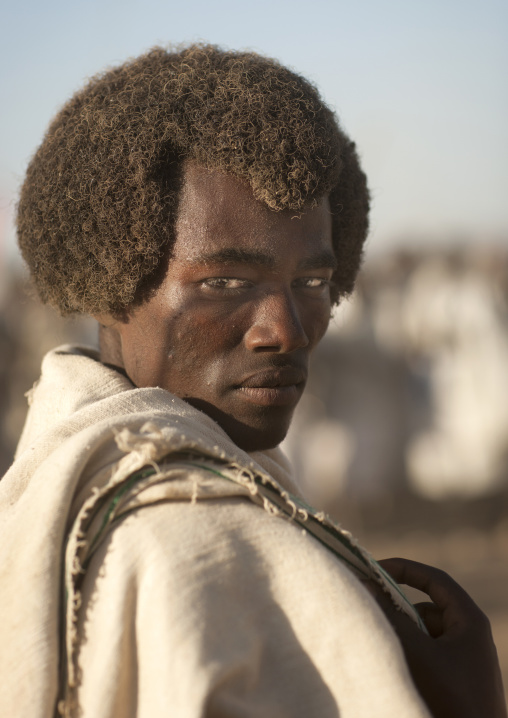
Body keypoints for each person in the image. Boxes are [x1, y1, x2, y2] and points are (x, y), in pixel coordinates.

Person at [0, 44, 505, 718]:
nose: (286, 330)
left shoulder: (50, 478)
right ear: (107, 282)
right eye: (225, 283)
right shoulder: (203, 545)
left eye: (314, 283)